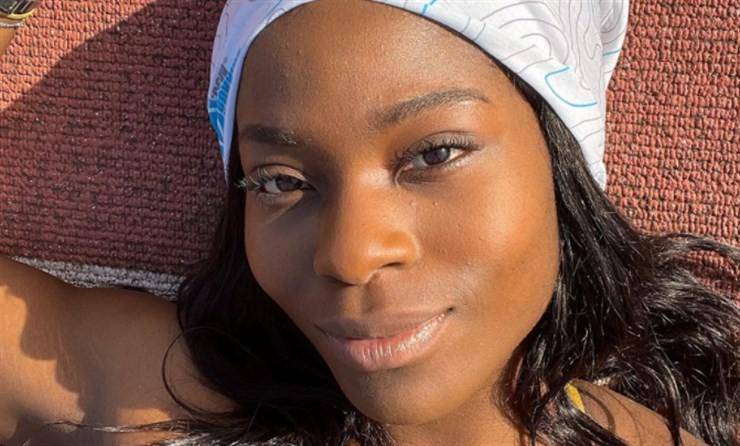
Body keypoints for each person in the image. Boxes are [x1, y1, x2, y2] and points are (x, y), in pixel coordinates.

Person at [0, 1, 737, 445]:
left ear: (563, 161)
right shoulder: (164, 398)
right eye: (281, 181)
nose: (351, 254)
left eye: (435, 154)